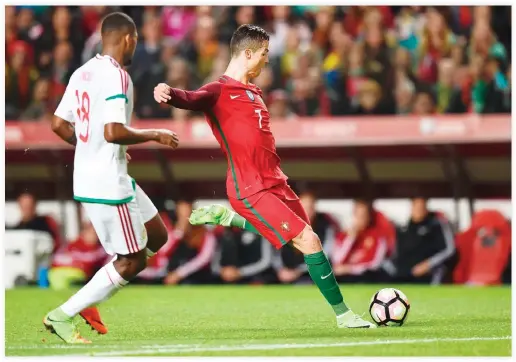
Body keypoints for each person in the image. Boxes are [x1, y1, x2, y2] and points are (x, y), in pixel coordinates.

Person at [153, 24, 374, 328]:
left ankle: (230, 219)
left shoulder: (254, 92)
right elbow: (191, 98)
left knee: (306, 242)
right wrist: (169, 93)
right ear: (247, 53)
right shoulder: (218, 90)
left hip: (276, 182)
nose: (267, 60)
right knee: (307, 240)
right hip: (250, 187)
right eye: (264, 53)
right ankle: (344, 315)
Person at [46, 12, 179, 344]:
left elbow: (59, 125)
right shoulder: (118, 77)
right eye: (137, 40)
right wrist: (155, 134)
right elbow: (113, 131)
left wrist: (89, 144)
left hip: (101, 174)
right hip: (107, 181)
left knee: (157, 236)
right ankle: (63, 314)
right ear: (129, 38)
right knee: (133, 261)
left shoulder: (82, 72)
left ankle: (95, 293)